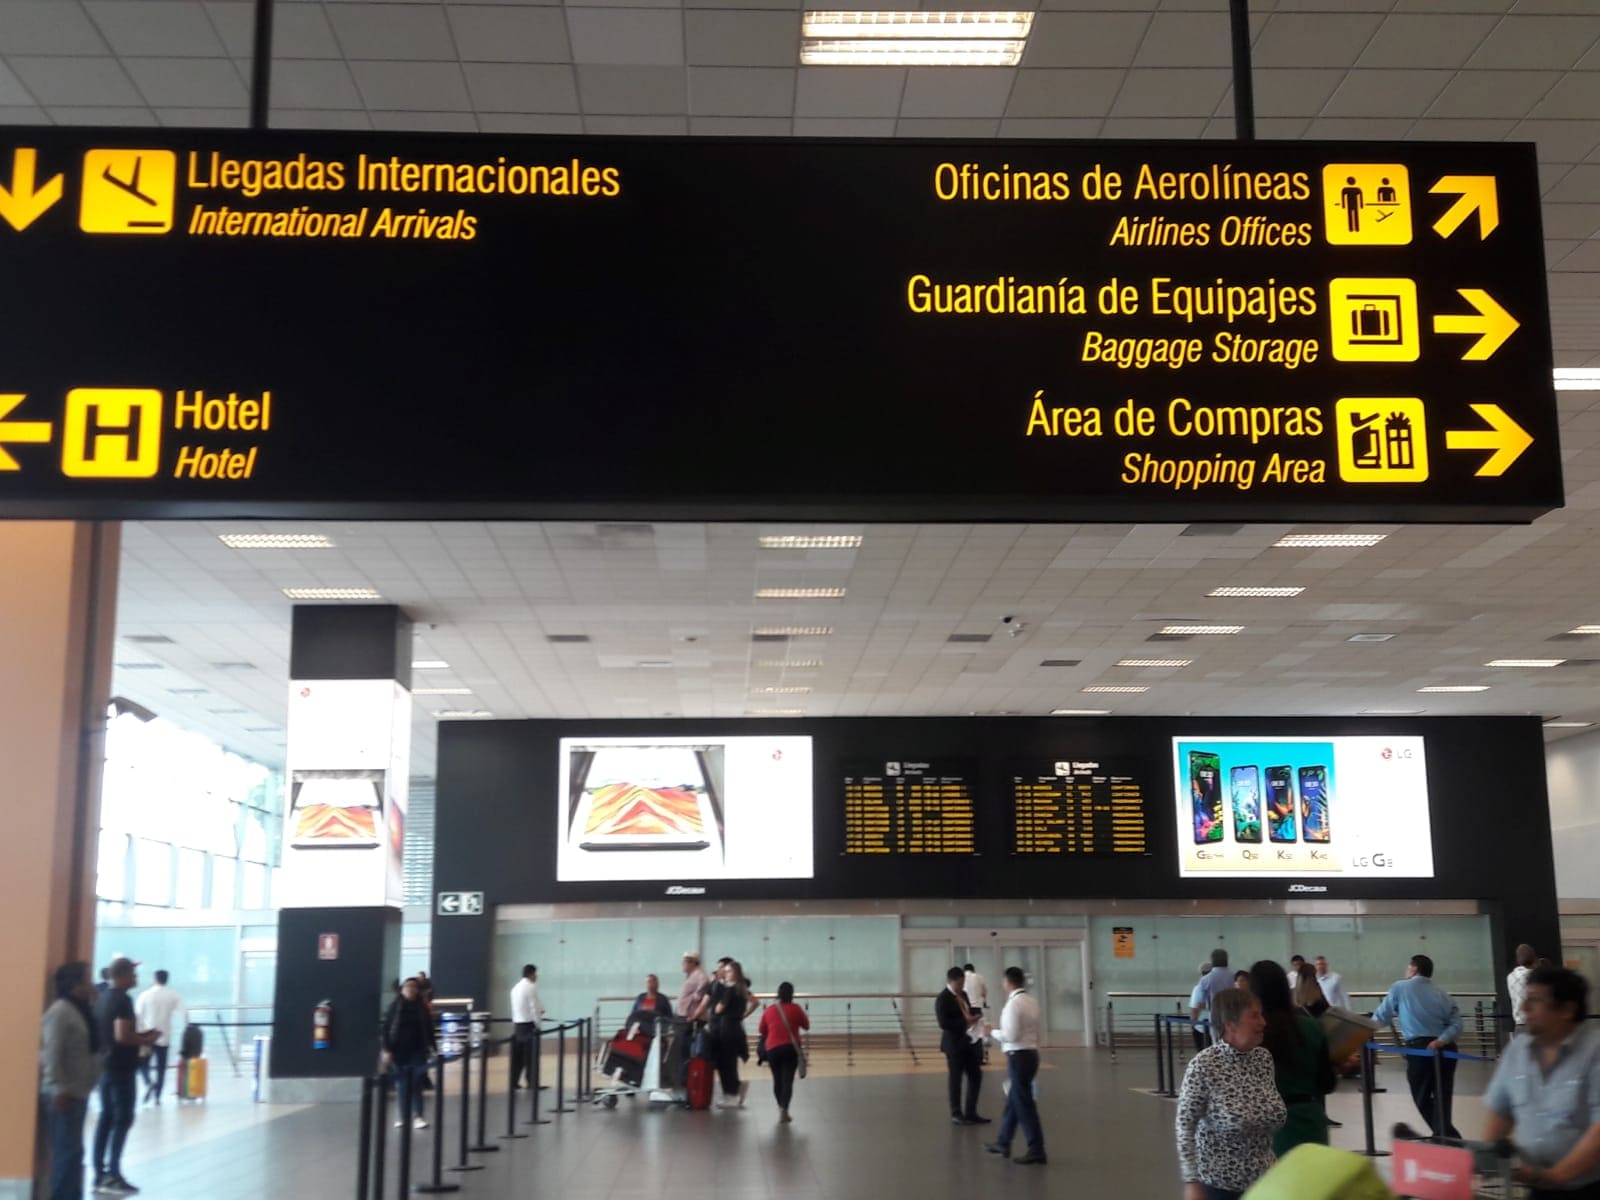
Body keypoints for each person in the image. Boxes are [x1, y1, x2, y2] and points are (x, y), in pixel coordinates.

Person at [1483, 966, 1600, 1198]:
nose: (1524, 1008)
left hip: (1588, 1187)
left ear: (1566, 1010)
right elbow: (1501, 1112)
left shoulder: (1595, 1052)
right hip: (1537, 1187)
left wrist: (1555, 1175)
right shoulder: (1518, 1051)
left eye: (1535, 1000)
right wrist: (1485, 1160)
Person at [1176, 987, 1287, 1200]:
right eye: (1254, 1016)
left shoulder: (1263, 1059)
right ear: (1231, 1024)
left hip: (1265, 1181)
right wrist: (1191, 1182)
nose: (1263, 1022)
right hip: (1219, 1185)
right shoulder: (1203, 1066)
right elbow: (1185, 1126)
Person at [1372, 953, 1463, 1138]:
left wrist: (1364, 1028)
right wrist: (1441, 1040)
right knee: (1443, 1099)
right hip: (1446, 1050)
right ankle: (1447, 1139)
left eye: (1408, 967)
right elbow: (1457, 1024)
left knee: (1421, 1095)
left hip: (1419, 1048)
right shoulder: (1443, 994)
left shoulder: (1400, 987)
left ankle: (1451, 1140)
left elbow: (1382, 1016)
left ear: (1414, 968)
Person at [1250, 960, 1335, 1156]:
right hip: (1310, 1121)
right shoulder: (1312, 1028)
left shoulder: (1252, 1034)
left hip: (1265, 1124)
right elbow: (1326, 1084)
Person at [91, 956, 158, 1195]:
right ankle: (114, 1173)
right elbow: (122, 1036)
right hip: (121, 1069)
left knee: (106, 1118)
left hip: (104, 1068)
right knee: (123, 1119)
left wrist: (139, 1034)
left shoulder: (101, 999)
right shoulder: (122, 1000)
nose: (136, 977)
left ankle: (99, 1173)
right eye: (132, 973)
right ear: (121, 976)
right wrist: (146, 1039)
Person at [41, 961, 101, 1200]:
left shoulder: (82, 1009)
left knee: (74, 1153)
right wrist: (57, 1087)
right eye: (88, 980)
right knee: (66, 1155)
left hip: (79, 1091)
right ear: (76, 984)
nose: (92, 984)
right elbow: (51, 1052)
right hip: (63, 1094)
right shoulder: (60, 1011)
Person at [984, 966, 1046, 1165]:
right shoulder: (1032, 1002)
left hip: (1018, 1056)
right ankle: (1003, 1142)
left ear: (1008, 982)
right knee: (1014, 1101)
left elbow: (1010, 1035)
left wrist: (991, 1032)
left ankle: (1036, 1148)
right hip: (1031, 1055)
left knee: (1024, 1104)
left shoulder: (1013, 1005)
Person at [697, 958, 756, 1108]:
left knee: (726, 1063)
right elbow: (754, 1002)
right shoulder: (741, 988)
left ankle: (731, 1094)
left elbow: (718, 1009)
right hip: (735, 1028)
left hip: (726, 1029)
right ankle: (733, 1092)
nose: (724, 973)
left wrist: (717, 1005)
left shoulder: (729, 989)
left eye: (728, 971)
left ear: (734, 973)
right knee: (729, 1062)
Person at [381, 976, 437, 1129]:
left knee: (416, 1082)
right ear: (402, 989)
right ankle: (402, 1116)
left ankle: (418, 1116)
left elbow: (429, 1029)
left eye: (413, 987)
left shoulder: (422, 1008)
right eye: (407, 986)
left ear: (418, 990)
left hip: (418, 1050)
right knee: (401, 1084)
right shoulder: (395, 1007)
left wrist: (434, 1048)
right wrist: (387, 1049)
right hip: (398, 1051)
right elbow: (386, 1029)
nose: (410, 989)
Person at [935, 966, 985, 1126]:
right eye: (959, 983)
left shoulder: (962, 994)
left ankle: (971, 1112)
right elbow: (943, 1023)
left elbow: (967, 1010)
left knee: (975, 1075)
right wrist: (965, 1022)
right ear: (951, 981)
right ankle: (956, 1113)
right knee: (956, 1079)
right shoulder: (943, 998)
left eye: (963, 983)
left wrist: (974, 1015)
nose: (962, 986)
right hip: (954, 1045)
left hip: (968, 1041)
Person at [758, 981, 810, 1123]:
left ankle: (781, 1106)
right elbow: (806, 1026)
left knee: (777, 1079)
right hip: (791, 1049)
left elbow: (762, 1030)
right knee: (787, 1080)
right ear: (792, 995)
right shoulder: (796, 1008)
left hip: (773, 1049)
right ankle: (785, 1110)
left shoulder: (770, 1010)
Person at [134, 970, 183, 1106]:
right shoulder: (173, 995)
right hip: (164, 1037)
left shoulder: (144, 995)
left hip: (147, 1036)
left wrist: (138, 1033)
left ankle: (149, 1082)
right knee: (161, 1068)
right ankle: (157, 1097)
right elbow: (184, 1012)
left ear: (154, 979)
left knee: (143, 1064)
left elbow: (137, 1015)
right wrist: (187, 1027)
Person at [508, 963, 543, 1090]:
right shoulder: (530, 987)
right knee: (531, 1057)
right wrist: (538, 1025)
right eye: (535, 974)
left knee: (518, 1058)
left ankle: (514, 1082)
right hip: (529, 1025)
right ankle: (532, 1083)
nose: (536, 976)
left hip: (518, 1025)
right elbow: (534, 1008)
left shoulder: (515, 988)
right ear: (531, 974)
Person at [1190, 949, 1233, 1025]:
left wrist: (1193, 1021)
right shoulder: (1235, 976)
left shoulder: (1206, 979)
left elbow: (1199, 1004)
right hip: (1234, 1016)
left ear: (1213, 960)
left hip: (1215, 1017)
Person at [1509, 944, 1538, 1035]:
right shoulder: (1535, 976)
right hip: (1535, 1025)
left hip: (1519, 1025)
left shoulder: (1510, 976)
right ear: (1534, 958)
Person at [676, 952, 710, 1020]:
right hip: (684, 1015)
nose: (682, 964)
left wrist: (694, 1016)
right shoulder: (691, 976)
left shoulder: (701, 976)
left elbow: (699, 996)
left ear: (693, 963)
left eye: (685, 962)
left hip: (691, 1017)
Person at [1189, 962, 1214, 1051]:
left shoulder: (1199, 988)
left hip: (1201, 1027)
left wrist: (1192, 1024)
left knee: (1203, 1053)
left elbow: (1195, 1008)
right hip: (1217, 1027)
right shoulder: (1219, 986)